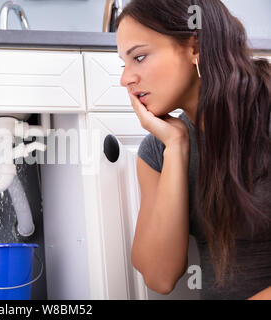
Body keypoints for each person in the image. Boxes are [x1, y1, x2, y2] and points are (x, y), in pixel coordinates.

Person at [115, 0, 271, 300]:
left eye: (140, 57)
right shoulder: (156, 151)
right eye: (124, 64)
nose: (126, 79)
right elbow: (159, 276)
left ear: (195, 47)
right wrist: (176, 147)